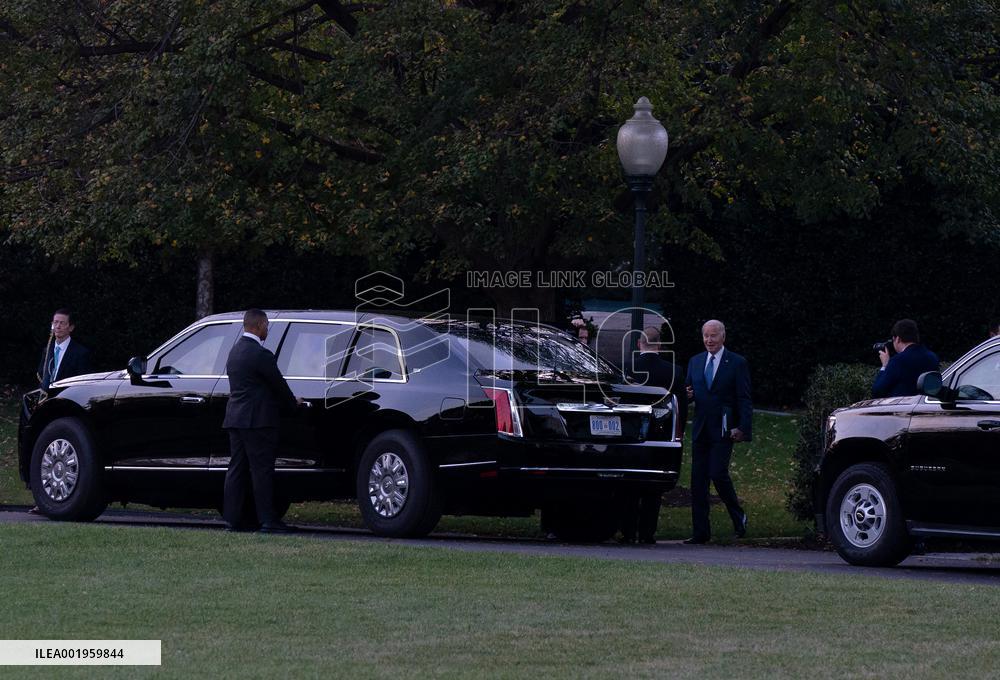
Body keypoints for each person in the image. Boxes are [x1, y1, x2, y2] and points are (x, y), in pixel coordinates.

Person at [222, 309, 301, 534]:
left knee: (236, 469)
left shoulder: (234, 352)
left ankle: (232, 519)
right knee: (261, 471)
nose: (267, 329)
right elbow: (279, 385)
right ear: (259, 325)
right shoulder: (261, 355)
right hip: (257, 421)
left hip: (235, 418)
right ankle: (267, 520)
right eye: (267, 325)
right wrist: (294, 404)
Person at [684, 320, 751, 544]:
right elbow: (688, 391)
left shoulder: (737, 363)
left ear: (723, 337)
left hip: (724, 429)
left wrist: (743, 427)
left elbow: (744, 398)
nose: (709, 340)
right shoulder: (695, 361)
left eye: (713, 335)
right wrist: (687, 396)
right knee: (698, 480)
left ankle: (738, 516)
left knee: (717, 473)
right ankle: (700, 532)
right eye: (706, 336)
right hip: (701, 428)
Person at [620, 326, 687, 544]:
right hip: (660, 433)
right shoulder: (674, 371)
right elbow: (680, 408)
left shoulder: (627, 368)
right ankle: (647, 533)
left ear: (639, 344)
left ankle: (628, 532)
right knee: (653, 486)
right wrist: (679, 433)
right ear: (660, 345)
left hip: (631, 435)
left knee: (629, 486)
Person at [871, 319, 939, 398]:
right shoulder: (932, 357)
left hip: (903, 404)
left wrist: (885, 365)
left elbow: (877, 391)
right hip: (928, 403)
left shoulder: (898, 360)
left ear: (897, 339)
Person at [37, 308, 93, 389]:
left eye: (62, 323)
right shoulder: (47, 350)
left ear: (71, 328)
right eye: (55, 322)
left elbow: (82, 383)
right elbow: (42, 376)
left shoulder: (81, 353)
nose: (58, 326)